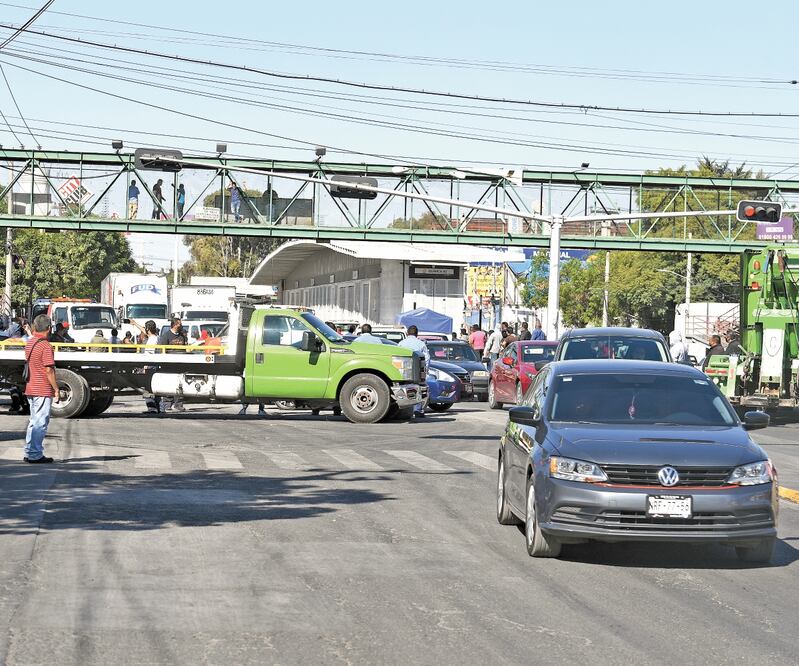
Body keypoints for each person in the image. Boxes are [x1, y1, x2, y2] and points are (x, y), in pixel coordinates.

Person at [22, 314, 60, 463]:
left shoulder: (30, 342)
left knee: (33, 421)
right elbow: (49, 370)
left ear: (35, 327)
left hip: (31, 387)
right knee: (40, 423)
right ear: (49, 328)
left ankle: (29, 451)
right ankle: (35, 454)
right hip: (42, 389)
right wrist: (56, 389)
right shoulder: (45, 346)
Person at [398, 325, 430, 418]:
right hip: (417, 371)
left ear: (407, 333)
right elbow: (426, 359)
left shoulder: (401, 343)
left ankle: (404, 410)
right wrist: (425, 370)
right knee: (417, 389)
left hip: (403, 371)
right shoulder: (421, 344)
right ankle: (417, 410)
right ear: (417, 334)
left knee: (403, 389)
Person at [130, 319, 161, 413]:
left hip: (150, 366)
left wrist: (146, 366)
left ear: (148, 329)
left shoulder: (151, 340)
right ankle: (159, 408)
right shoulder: (156, 337)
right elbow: (144, 330)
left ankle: (152, 408)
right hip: (155, 366)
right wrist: (135, 323)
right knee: (154, 387)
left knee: (148, 388)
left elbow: (150, 355)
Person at [158, 317, 187, 412]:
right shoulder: (166, 336)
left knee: (180, 384)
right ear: (174, 325)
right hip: (169, 364)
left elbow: (185, 348)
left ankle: (178, 404)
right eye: (179, 324)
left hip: (180, 364)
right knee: (169, 384)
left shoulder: (182, 336)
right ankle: (167, 404)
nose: (181, 325)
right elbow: (161, 350)